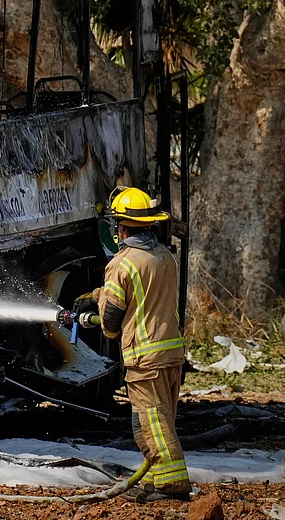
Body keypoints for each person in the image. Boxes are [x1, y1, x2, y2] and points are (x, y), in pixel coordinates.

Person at [74, 187, 190, 502]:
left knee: (149, 424)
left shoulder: (121, 264)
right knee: (162, 421)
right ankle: (154, 481)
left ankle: (171, 485)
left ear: (122, 228)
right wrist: (97, 295)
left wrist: (102, 313)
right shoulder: (164, 256)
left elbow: (111, 322)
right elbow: (145, 297)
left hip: (144, 358)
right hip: (171, 352)